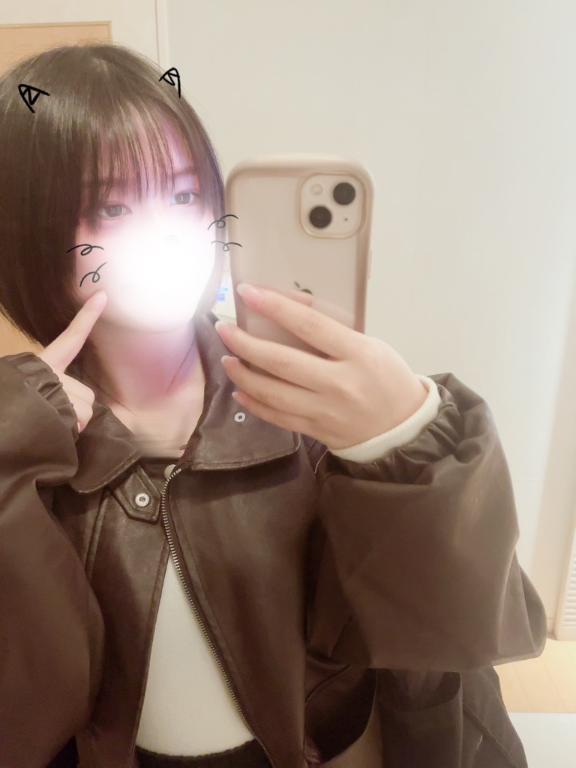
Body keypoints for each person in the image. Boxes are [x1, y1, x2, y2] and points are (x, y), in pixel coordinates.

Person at [0, 43, 547, 768]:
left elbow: (459, 639)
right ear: (31, 230)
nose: (166, 229)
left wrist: (410, 442)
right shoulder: (25, 438)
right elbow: (26, 719)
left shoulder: (306, 405)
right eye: (112, 206)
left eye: (185, 195)